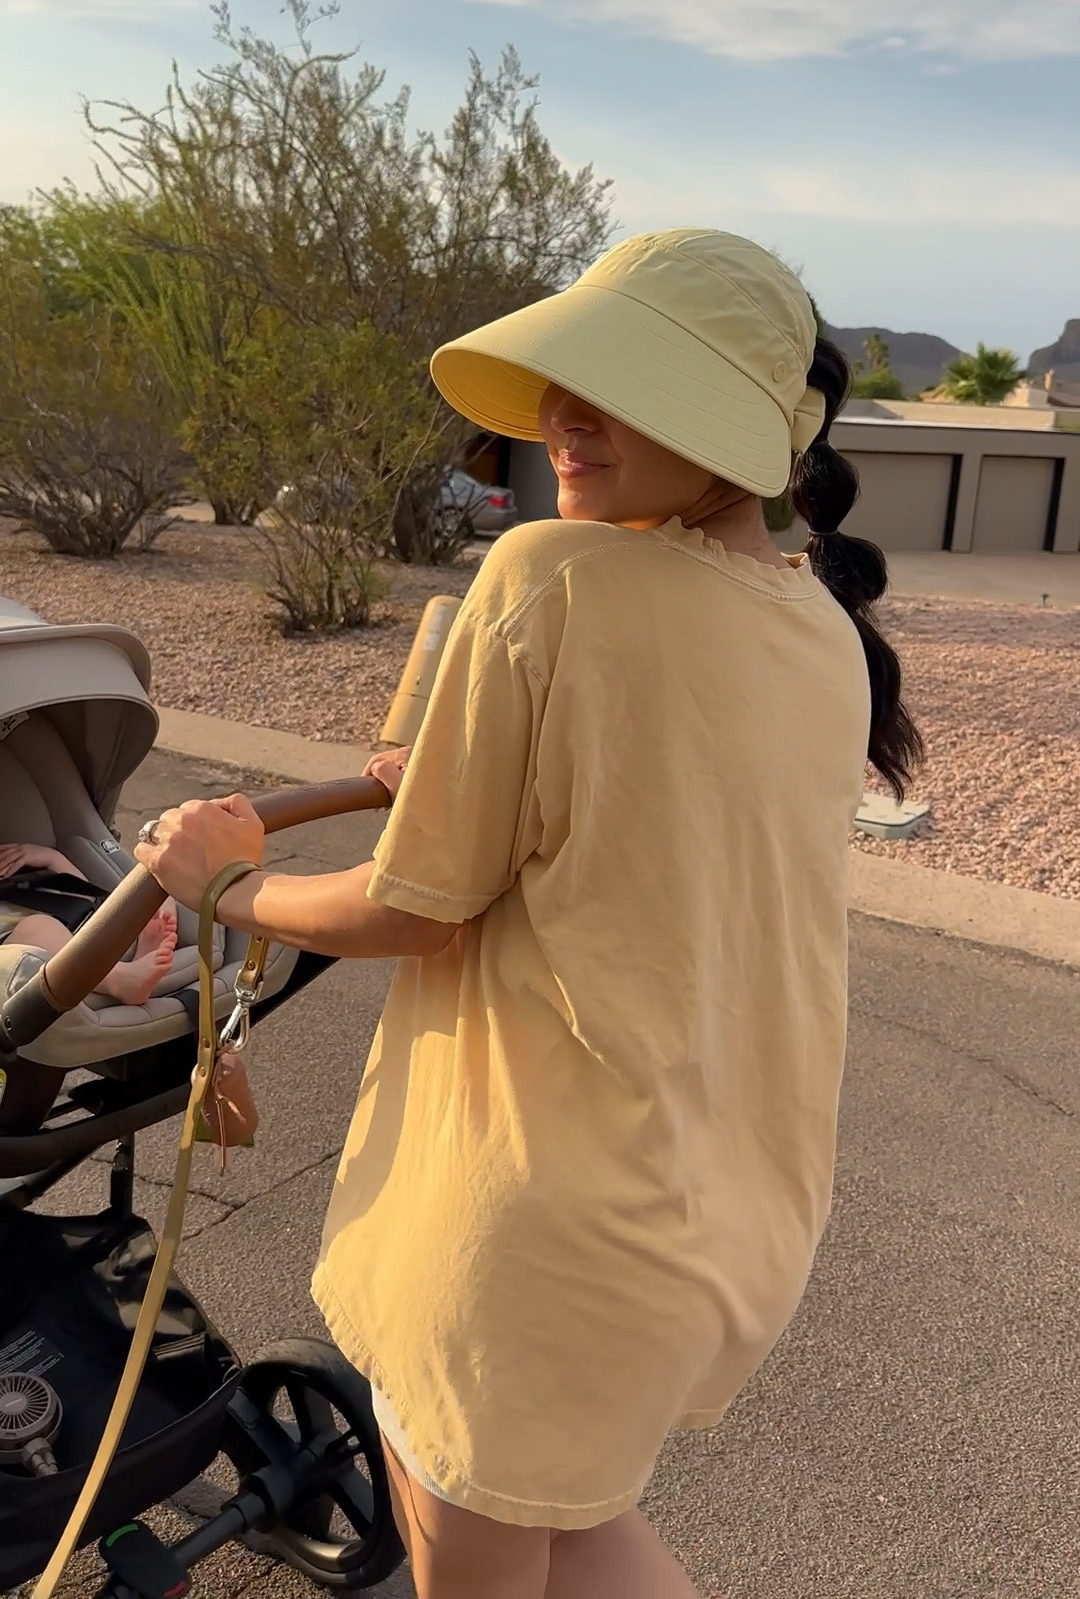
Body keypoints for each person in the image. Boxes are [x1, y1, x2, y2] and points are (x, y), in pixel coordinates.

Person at [130, 229, 922, 1599]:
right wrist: (455, 763)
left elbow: (415, 908)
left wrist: (226, 885)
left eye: (620, 386)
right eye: (564, 378)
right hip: (710, 1208)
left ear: (734, 426)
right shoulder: (822, 634)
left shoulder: (552, 574)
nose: (563, 414)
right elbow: (641, 813)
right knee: (578, 1525)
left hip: (532, 1223)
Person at [0, 840, 178, 1003]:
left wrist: (51, 858)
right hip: (21, 952)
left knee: (154, 889)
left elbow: (82, 893)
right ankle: (116, 979)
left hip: (83, 928)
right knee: (40, 927)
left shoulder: (20, 879)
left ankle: (141, 948)